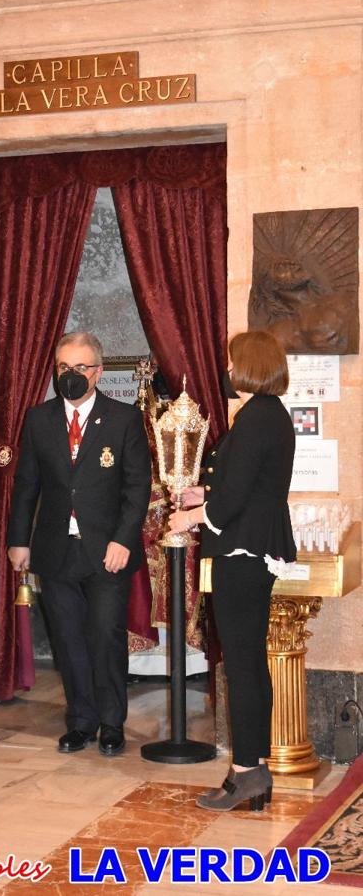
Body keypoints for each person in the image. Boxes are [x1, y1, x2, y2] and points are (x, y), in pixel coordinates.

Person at [168, 330, 296, 811]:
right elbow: (245, 484)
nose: (224, 368)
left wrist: (193, 516)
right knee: (247, 664)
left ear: (246, 366)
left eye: (229, 360)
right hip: (251, 550)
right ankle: (252, 770)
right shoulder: (266, 416)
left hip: (240, 553)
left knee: (241, 667)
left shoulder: (256, 418)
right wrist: (206, 495)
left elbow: (238, 496)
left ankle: (245, 772)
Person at [8, 332, 152, 756]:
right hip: (56, 549)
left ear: (98, 372)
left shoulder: (124, 419)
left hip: (108, 550)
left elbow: (137, 487)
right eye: (63, 368)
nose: (70, 376)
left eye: (80, 368)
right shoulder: (39, 420)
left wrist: (123, 540)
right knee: (67, 637)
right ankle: (81, 721)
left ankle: (111, 723)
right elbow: (26, 485)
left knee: (104, 637)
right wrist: (19, 540)